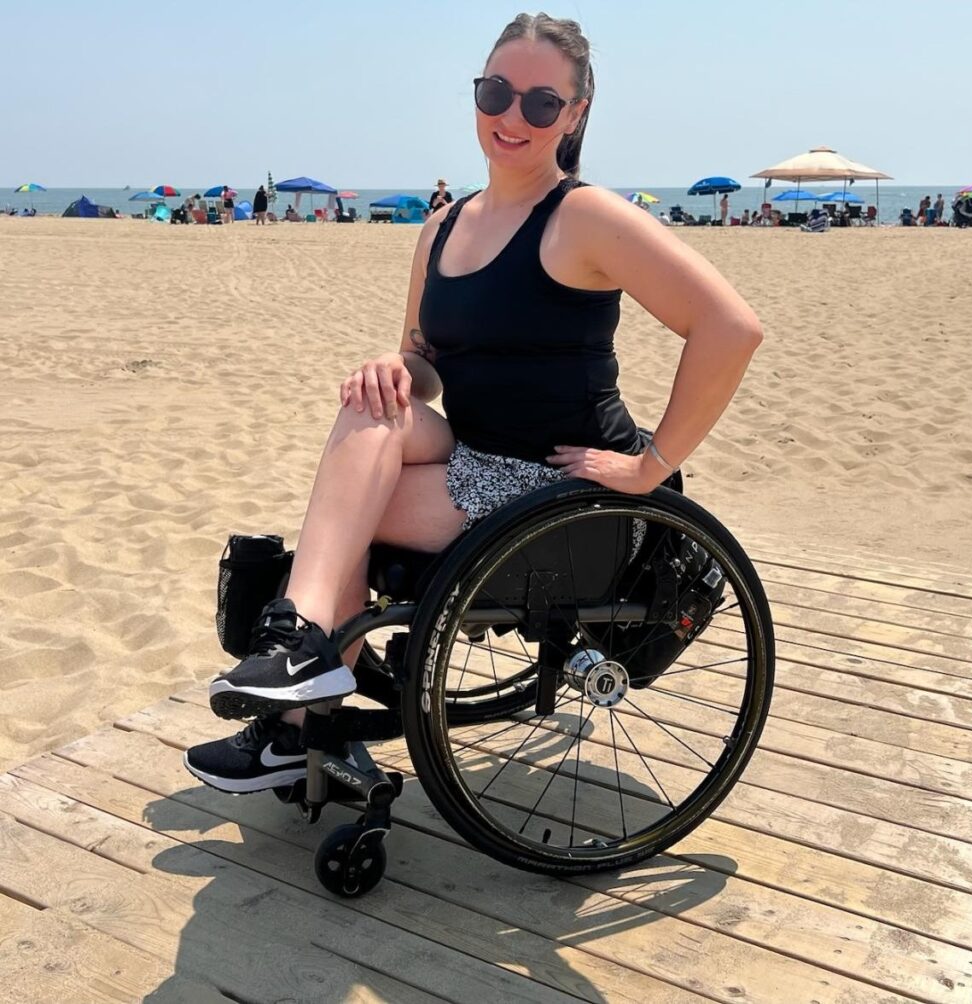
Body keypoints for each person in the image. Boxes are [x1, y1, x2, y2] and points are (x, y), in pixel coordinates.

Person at [184, 12, 763, 793]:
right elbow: (425, 362)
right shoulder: (441, 228)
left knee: (351, 505)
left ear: (575, 114)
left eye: (540, 103)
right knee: (370, 406)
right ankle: (304, 657)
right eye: (496, 92)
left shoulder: (583, 217)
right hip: (476, 459)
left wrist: (653, 465)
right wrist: (396, 366)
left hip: (565, 495)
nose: (511, 116)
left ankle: (299, 693)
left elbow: (731, 328)